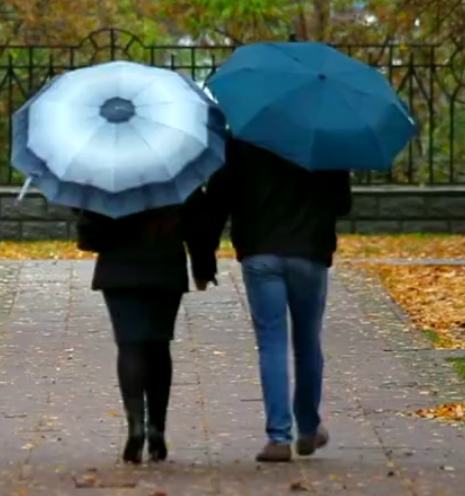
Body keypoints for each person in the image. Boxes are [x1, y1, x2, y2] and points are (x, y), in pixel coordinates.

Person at [201, 137, 352, 462]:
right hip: (309, 252)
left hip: (260, 251)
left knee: (272, 343)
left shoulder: (243, 136)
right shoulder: (325, 137)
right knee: (308, 342)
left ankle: (279, 437)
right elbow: (342, 204)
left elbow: (218, 198)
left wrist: (203, 258)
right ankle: (309, 428)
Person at [76, 192, 217, 464]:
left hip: (119, 271)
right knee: (159, 344)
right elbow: (199, 224)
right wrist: (203, 267)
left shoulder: (107, 177)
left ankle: (135, 426)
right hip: (165, 268)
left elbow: (90, 237)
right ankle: (156, 427)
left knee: (129, 345)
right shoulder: (177, 171)